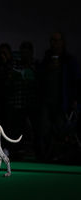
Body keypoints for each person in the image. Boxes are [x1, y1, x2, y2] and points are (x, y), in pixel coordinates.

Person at [37, 32, 81, 162]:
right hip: (45, 101)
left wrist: (75, 99)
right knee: (44, 129)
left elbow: (76, 81)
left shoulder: (70, 60)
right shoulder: (46, 59)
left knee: (61, 130)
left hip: (62, 102)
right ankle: (45, 157)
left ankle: (60, 156)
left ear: (63, 42)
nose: (54, 43)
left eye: (57, 40)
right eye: (52, 40)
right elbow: (40, 78)